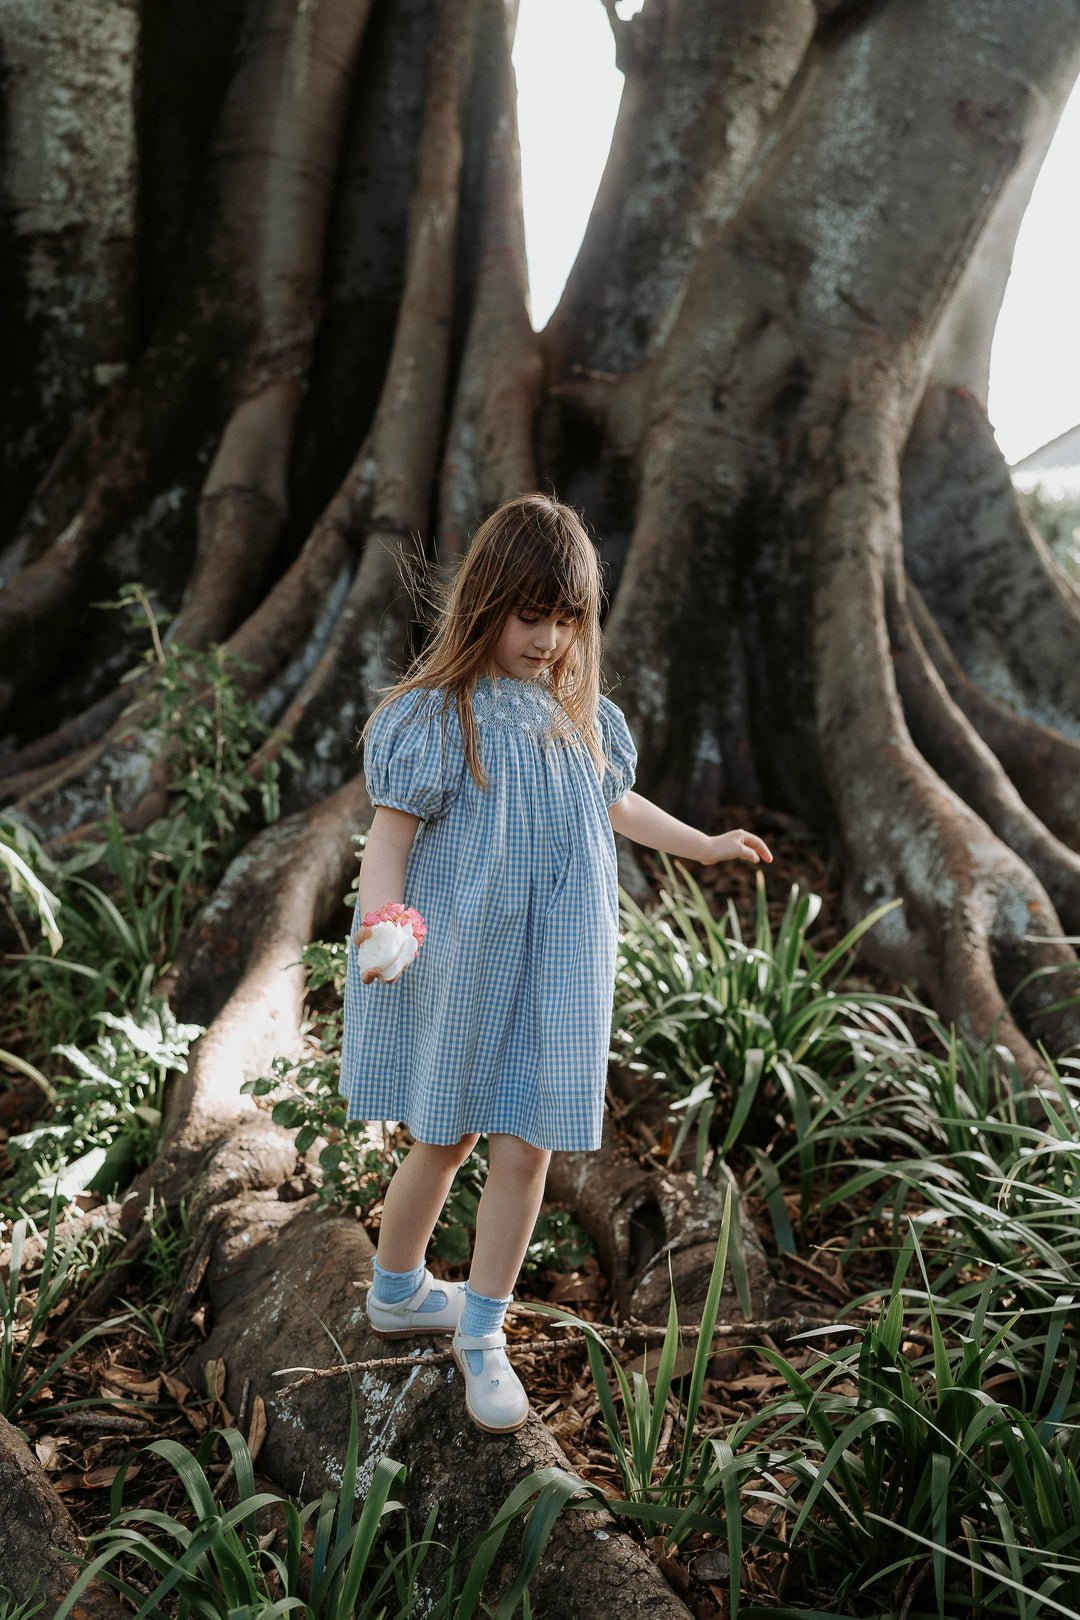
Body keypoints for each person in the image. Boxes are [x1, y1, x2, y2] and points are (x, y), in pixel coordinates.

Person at [339, 493, 773, 1435]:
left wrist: (703, 844)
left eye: (568, 620)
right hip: (465, 961)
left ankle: (483, 1330)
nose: (548, 639)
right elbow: (388, 838)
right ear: (485, 605)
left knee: (529, 1147)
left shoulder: (585, 723)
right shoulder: (437, 717)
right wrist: (383, 920)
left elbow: (622, 805)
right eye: (529, 616)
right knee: (444, 1134)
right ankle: (398, 1287)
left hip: (560, 965)